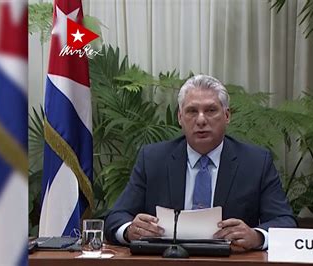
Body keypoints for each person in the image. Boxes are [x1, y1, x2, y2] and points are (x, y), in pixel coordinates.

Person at [104, 74, 297, 251]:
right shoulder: (153, 159)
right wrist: (130, 230)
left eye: (211, 110)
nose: (201, 120)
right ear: (180, 117)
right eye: (192, 111)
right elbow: (115, 218)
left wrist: (256, 236)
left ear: (227, 115)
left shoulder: (256, 162)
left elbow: (285, 221)